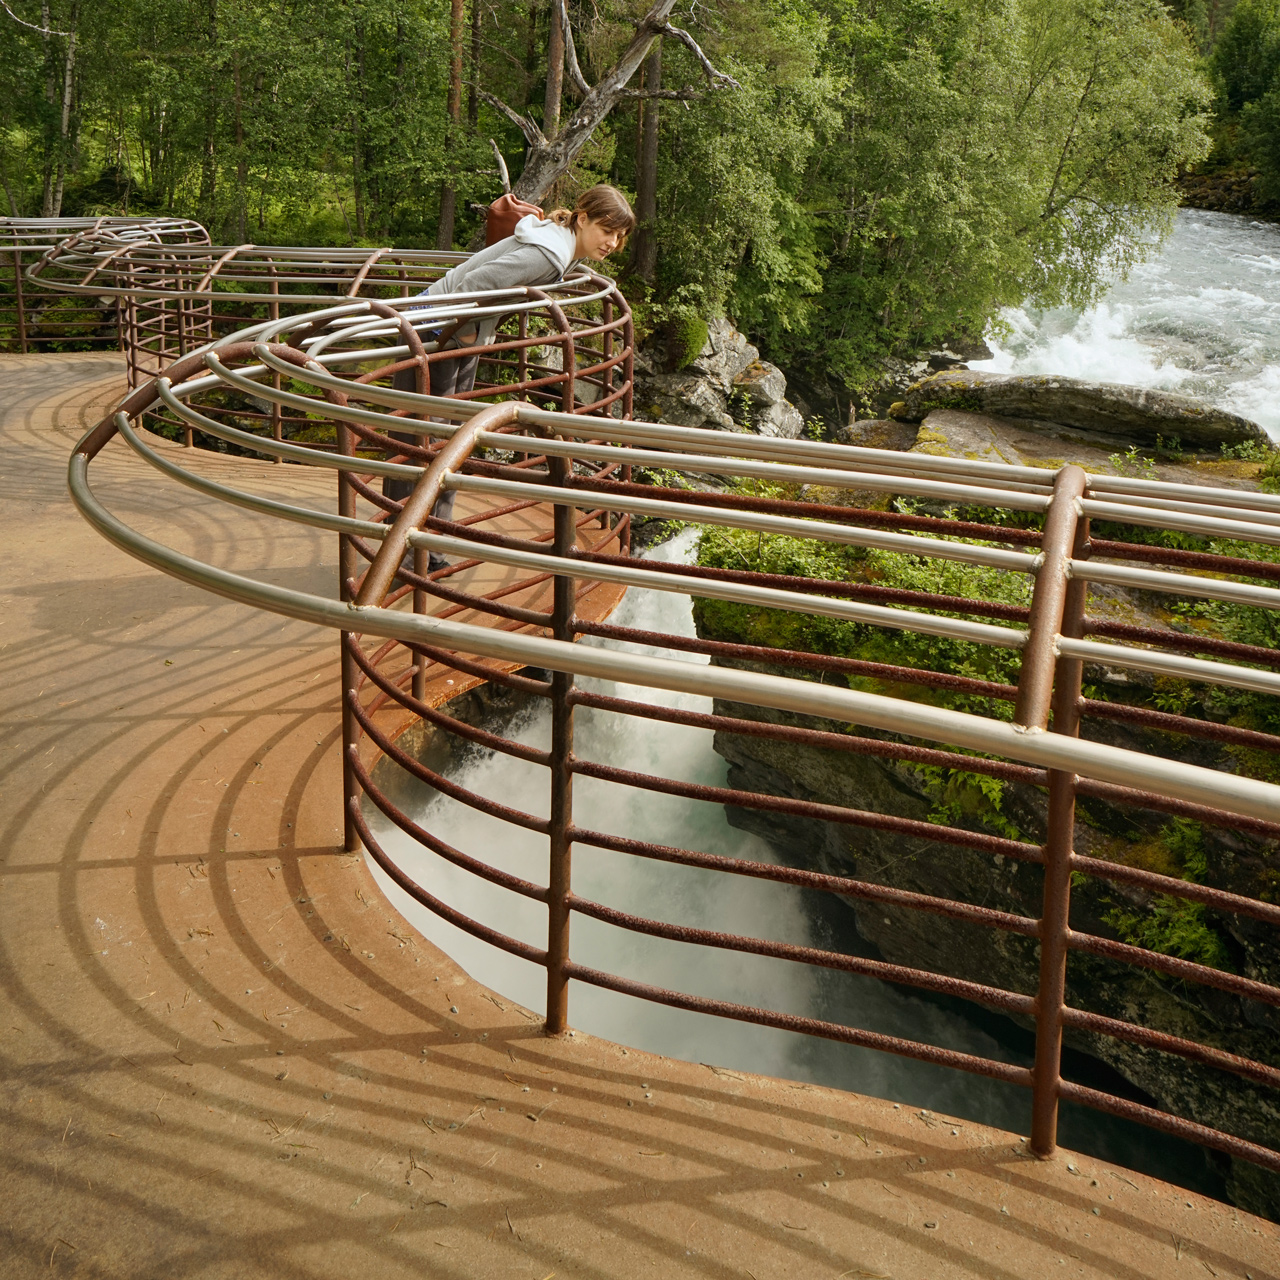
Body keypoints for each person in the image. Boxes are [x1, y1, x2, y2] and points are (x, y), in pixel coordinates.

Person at [385, 185, 636, 574]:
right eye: (608, 230)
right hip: (435, 336)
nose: (613, 242)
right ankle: (400, 555)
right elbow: (475, 286)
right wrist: (465, 335)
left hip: (449, 337)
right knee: (423, 443)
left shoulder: (560, 248)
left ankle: (429, 548)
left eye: (620, 237)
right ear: (582, 219)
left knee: (448, 441)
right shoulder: (547, 255)